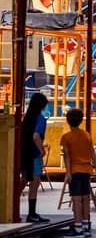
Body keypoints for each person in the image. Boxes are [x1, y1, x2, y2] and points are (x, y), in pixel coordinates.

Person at [60, 108, 96, 238]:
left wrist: (68, 173)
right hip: (86, 170)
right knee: (85, 198)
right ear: (81, 120)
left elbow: (67, 156)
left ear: (67, 121)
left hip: (75, 170)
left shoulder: (66, 137)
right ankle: (85, 225)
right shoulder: (86, 135)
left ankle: (77, 228)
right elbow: (92, 153)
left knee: (76, 199)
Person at [19, 92, 49, 223]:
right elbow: (36, 136)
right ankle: (31, 213)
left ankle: (11, 206)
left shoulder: (27, 117)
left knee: (24, 179)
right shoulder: (40, 118)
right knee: (34, 183)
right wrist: (42, 150)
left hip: (25, 153)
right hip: (35, 154)